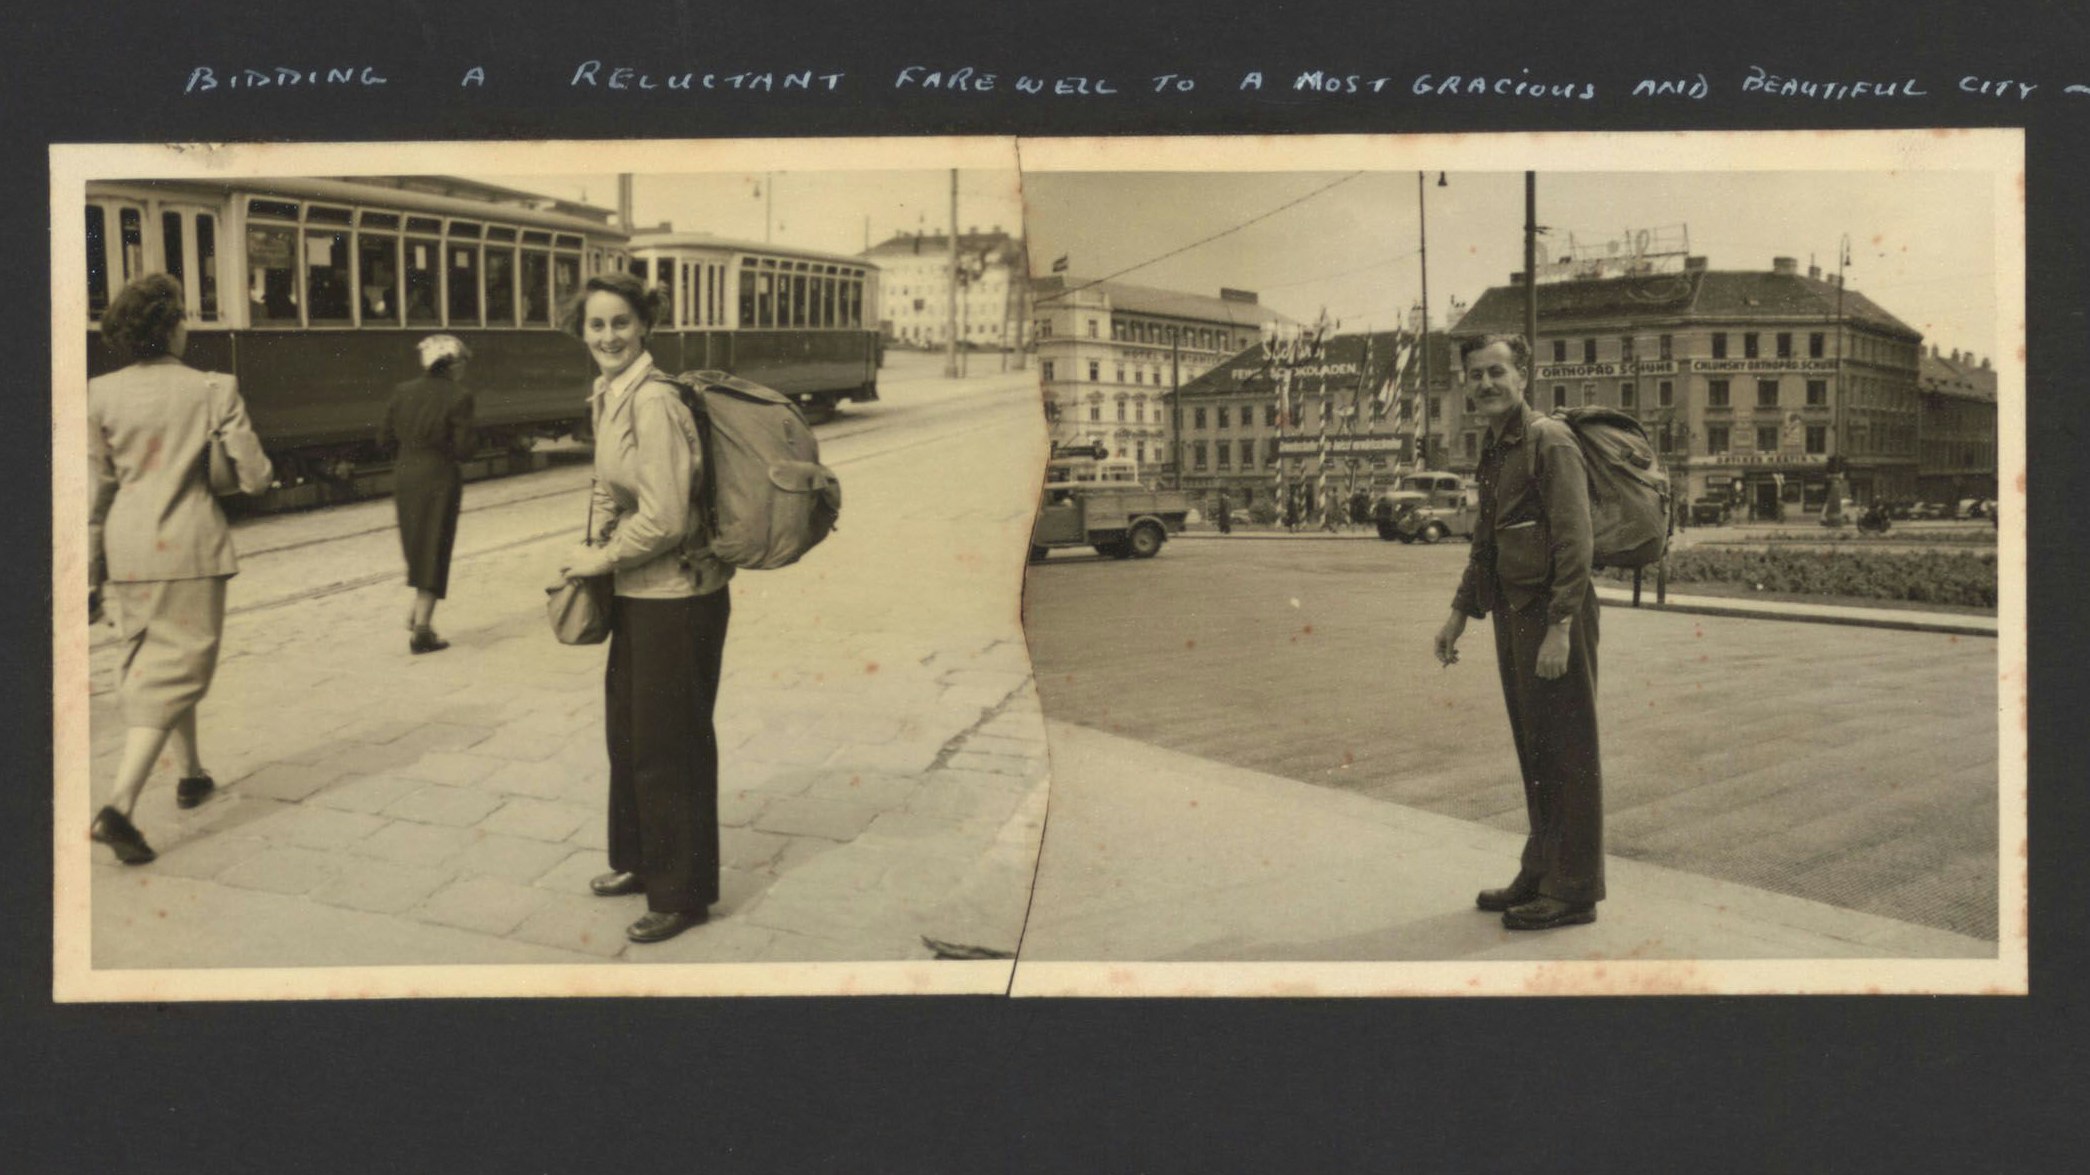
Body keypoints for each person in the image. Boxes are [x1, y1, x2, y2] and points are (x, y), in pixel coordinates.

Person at [555, 272, 732, 945]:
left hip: (678, 596)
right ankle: (639, 859)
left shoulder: (653, 401)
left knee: (669, 745)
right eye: (596, 325)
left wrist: (603, 556)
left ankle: (682, 893)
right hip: (638, 591)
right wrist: (593, 533)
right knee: (628, 734)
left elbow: (664, 514)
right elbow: (609, 483)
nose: (607, 336)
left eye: (620, 323)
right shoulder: (609, 393)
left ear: (644, 326)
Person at [87, 273, 273, 865]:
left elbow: (94, 494)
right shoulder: (215, 388)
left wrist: (91, 572)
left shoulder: (98, 393)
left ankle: (191, 774)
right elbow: (255, 477)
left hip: (129, 550)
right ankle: (118, 806)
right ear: (170, 327)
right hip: (189, 547)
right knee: (180, 667)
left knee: (161, 657)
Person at [1432, 334, 1605, 931]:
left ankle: (1574, 890)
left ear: (1524, 375)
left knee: (1568, 750)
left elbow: (1574, 541)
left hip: (1556, 614)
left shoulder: (1549, 441)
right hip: (1515, 612)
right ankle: (1540, 870)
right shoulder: (1499, 446)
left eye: (1497, 372)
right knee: (1536, 749)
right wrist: (1459, 614)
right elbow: (1487, 541)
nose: (1485, 384)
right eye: (1475, 375)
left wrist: (1559, 627)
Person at [379, 334, 477, 654]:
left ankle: (418, 614)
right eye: (462, 363)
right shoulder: (459, 396)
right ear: (451, 364)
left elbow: (383, 441)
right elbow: (464, 450)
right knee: (435, 545)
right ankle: (422, 631)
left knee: (417, 545)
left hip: (405, 476)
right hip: (439, 477)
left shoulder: (401, 392)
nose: (464, 369)